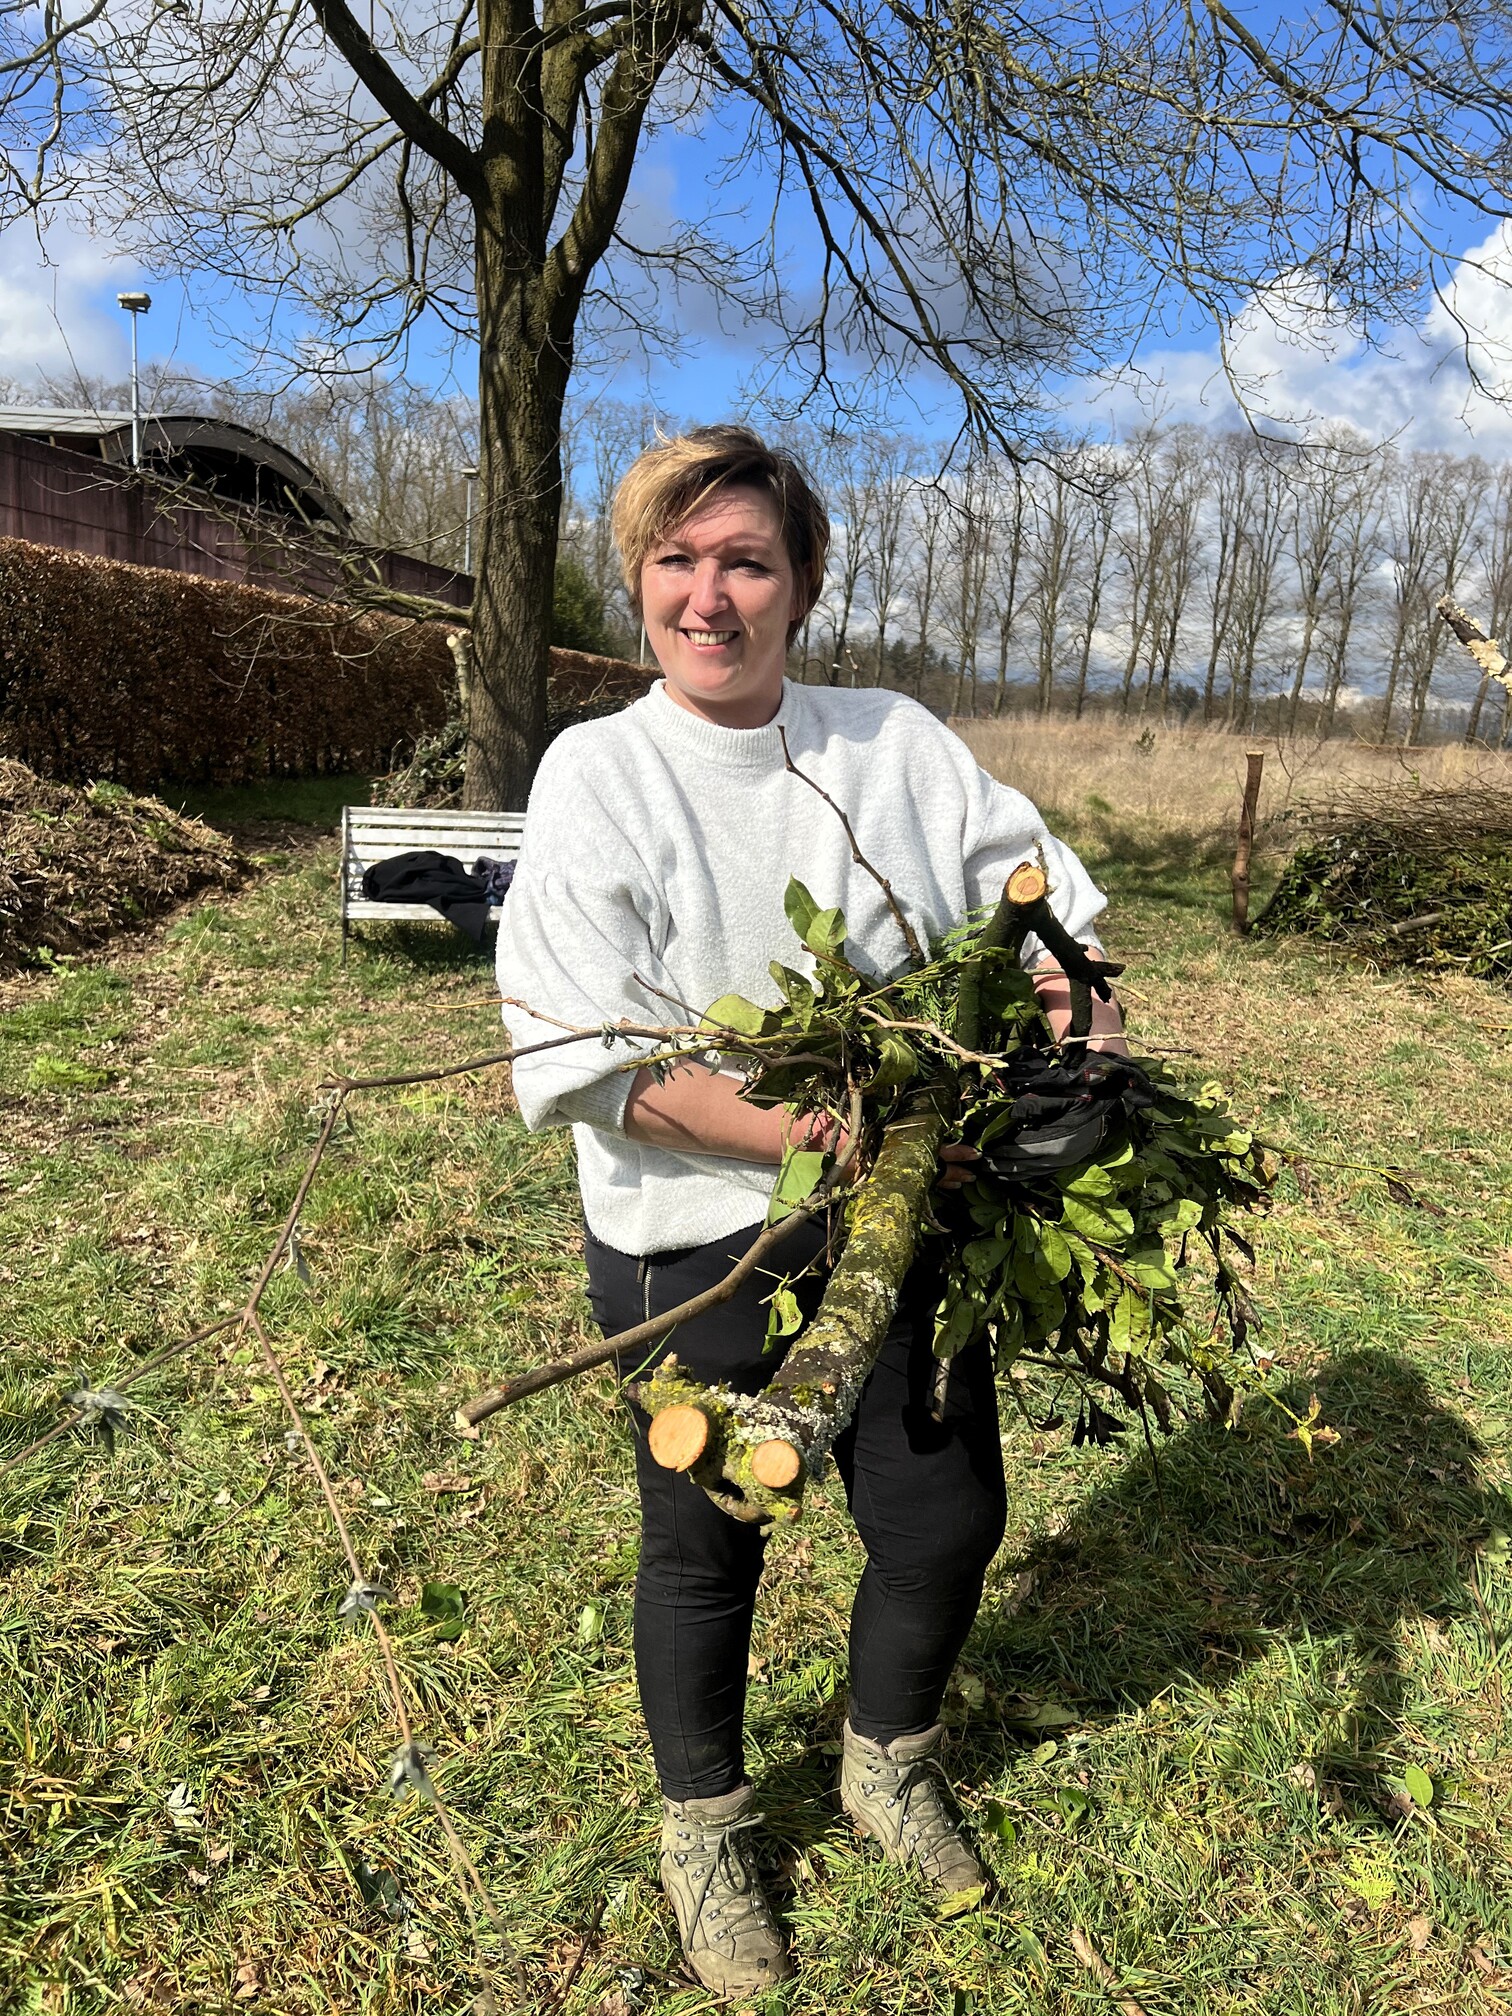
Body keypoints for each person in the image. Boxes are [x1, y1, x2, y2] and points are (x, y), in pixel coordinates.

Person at [497, 426, 1125, 1998]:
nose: (709, 597)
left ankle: (886, 1759)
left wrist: (1076, 1041)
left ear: (804, 583)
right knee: (706, 1541)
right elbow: (590, 1057)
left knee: (944, 1519)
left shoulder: (890, 745)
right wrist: (822, 1137)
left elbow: (1054, 920)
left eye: (747, 562)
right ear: (637, 578)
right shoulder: (600, 774)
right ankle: (708, 1827)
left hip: (903, 1223)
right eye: (677, 560)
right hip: (690, 1238)